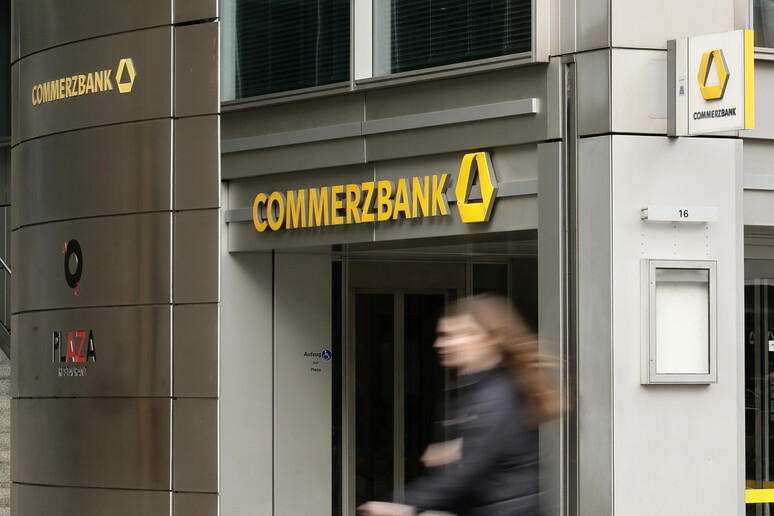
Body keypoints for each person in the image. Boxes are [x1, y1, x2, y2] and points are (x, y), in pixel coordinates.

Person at [358, 294, 561, 516]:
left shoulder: (494, 394)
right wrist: (458, 449)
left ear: (490, 338)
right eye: (442, 335)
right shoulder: (475, 388)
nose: (440, 343)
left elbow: (472, 470)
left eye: (455, 335)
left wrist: (407, 504)